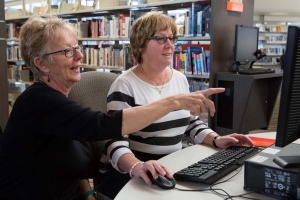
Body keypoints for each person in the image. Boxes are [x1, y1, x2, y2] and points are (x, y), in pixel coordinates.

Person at [0, 15, 224, 200]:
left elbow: (71, 162)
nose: (80, 55)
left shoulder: (63, 105)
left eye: (77, 48)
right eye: (67, 51)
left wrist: (88, 192)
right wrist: (174, 102)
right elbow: (105, 126)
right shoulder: (39, 102)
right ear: (41, 64)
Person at [96, 11, 254, 199]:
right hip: (130, 172)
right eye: (160, 39)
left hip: (171, 165)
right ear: (140, 45)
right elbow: (114, 142)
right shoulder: (125, 85)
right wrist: (137, 166)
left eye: (172, 38)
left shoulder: (178, 78)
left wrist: (216, 139)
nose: (170, 45)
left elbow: (192, 124)